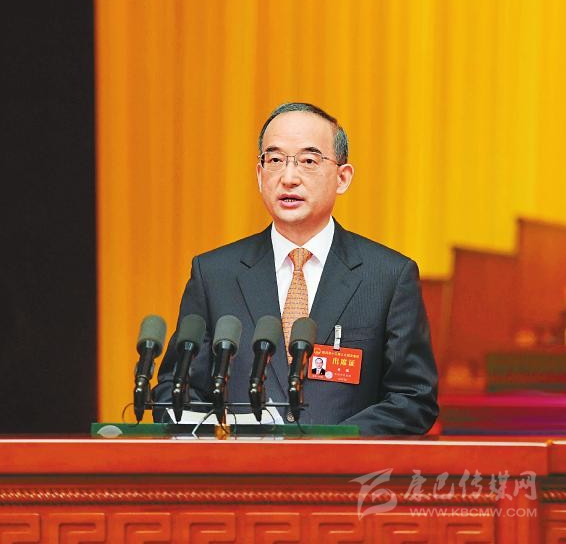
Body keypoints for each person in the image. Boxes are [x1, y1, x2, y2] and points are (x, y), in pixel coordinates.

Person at [153, 102, 438, 435]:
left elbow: (413, 399)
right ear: (260, 175)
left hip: (343, 467)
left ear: (342, 177)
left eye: (308, 161)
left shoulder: (388, 276)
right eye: (275, 160)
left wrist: (331, 446)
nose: (289, 178)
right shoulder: (214, 274)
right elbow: (176, 389)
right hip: (241, 465)